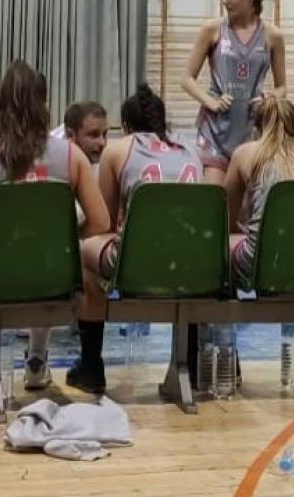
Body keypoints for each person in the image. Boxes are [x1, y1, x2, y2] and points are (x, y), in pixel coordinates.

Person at [0, 60, 109, 392]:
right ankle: (37, 359)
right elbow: (100, 222)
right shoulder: (72, 156)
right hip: (52, 272)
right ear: (44, 106)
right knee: (72, 267)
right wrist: (67, 246)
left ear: (0, 104)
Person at [74, 85, 202, 392]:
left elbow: (101, 222)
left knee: (85, 252)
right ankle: (191, 363)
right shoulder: (190, 150)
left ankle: (91, 365)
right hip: (194, 263)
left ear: (127, 126)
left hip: (138, 261)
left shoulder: (118, 150)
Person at [223, 96, 294, 380]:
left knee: (218, 253)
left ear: (257, 128)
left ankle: (226, 355)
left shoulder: (248, 153)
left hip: (267, 264)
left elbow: (223, 219)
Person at [182, 0, 287, 184]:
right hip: (215, 131)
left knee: (246, 206)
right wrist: (210, 101)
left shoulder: (272, 35)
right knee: (214, 199)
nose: (225, 1)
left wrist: (269, 99)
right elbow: (186, 79)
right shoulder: (212, 30)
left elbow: (282, 88)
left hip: (253, 131)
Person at [54, 101, 109, 166]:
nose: (102, 143)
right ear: (70, 135)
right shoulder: (48, 161)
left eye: (104, 134)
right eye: (94, 135)